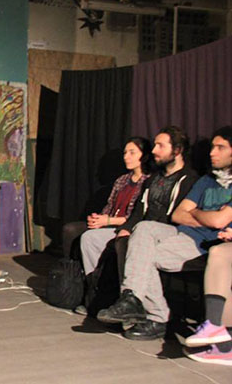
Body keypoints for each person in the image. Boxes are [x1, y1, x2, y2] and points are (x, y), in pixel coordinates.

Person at [98, 126, 232, 341]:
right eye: (212, 147)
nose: (212, 152)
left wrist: (196, 213)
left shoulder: (194, 178)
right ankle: (131, 299)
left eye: (220, 147)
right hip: (183, 234)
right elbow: (179, 215)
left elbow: (219, 221)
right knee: (143, 229)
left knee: (141, 258)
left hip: (206, 245)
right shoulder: (206, 181)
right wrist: (205, 216)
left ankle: (157, 318)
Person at [79, 137, 152, 276]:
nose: (126, 157)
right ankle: (91, 279)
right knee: (72, 230)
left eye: (132, 153)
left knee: (89, 238)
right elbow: (110, 206)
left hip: (128, 228)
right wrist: (98, 219)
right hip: (111, 223)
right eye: (125, 153)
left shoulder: (149, 181)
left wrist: (108, 221)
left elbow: (140, 216)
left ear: (144, 156)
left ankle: (97, 279)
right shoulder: (122, 180)